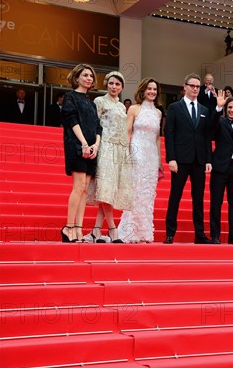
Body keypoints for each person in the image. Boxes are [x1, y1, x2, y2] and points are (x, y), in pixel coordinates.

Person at [163, 73, 213, 244]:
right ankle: (170, 233)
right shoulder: (175, 107)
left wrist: (208, 160)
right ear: (184, 87)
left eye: (198, 87)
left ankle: (199, 234)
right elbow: (169, 133)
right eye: (192, 86)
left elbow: (207, 137)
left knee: (198, 198)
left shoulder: (204, 110)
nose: (195, 89)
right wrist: (171, 158)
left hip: (199, 160)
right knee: (175, 196)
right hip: (180, 159)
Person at [86, 71, 132, 243]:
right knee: (105, 188)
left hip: (119, 150)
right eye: (111, 83)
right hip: (105, 147)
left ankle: (96, 231)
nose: (114, 87)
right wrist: (95, 145)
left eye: (118, 84)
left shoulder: (121, 106)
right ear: (106, 84)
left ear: (122, 87)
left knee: (109, 191)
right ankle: (113, 229)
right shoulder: (99, 101)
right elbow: (94, 125)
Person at [60, 64, 102, 242]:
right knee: (78, 187)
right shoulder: (70, 97)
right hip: (76, 146)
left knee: (85, 189)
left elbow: (98, 127)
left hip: (91, 147)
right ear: (76, 78)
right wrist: (84, 143)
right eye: (85, 75)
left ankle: (78, 228)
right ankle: (68, 227)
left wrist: (96, 146)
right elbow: (71, 120)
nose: (89, 78)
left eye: (91, 76)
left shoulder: (91, 103)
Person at [117, 77, 163, 243]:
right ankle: (130, 232)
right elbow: (127, 132)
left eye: (155, 89)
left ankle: (144, 233)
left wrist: (159, 160)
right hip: (137, 153)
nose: (152, 92)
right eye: (149, 89)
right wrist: (127, 154)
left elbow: (157, 138)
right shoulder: (134, 109)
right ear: (143, 90)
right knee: (135, 191)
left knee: (148, 195)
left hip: (151, 156)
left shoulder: (158, 113)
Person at [209, 94, 233, 245]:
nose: (232, 110)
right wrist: (218, 107)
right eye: (230, 107)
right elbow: (210, 126)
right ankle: (215, 236)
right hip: (219, 167)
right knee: (216, 202)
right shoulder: (219, 122)